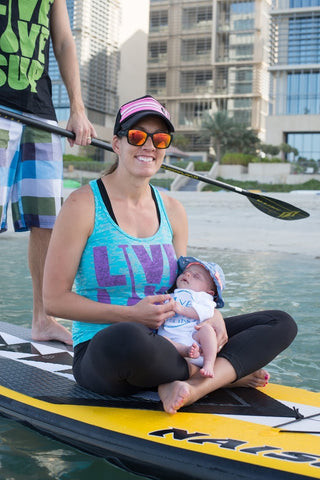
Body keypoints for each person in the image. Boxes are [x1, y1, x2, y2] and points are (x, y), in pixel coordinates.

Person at [43, 95, 297, 414]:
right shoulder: (83, 205)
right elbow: (54, 300)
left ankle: (191, 387)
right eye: (137, 136)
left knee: (279, 322)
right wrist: (131, 315)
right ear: (117, 143)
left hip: (177, 340)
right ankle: (225, 374)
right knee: (126, 338)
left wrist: (212, 314)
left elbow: (184, 286)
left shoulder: (173, 210)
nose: (149, 145)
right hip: (108, 351)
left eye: (160, 138)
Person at [0, 0, 96, 345]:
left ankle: (43, 318)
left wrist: (77, 108)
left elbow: (64, 42)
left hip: (40, 113)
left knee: (46, 220)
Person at [157, 256, 225, 378]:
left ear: (209, 292)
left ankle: (209, 364)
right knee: (160, 340)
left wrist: (182, 310)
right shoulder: (171, 295)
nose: (187, 275)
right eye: (185, 272)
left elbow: (206, 312)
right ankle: (186, 350)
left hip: (194, 339)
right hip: (173, 342)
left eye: (196, 276)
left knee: (207, 330)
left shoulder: (203, 298)